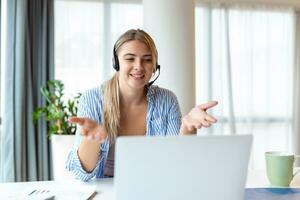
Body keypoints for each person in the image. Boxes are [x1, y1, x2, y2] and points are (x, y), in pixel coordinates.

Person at [66, 29, 218, 181]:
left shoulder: (167, 100)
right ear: (116, 62)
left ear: (154, 66)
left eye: (147, 59)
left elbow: (177, 165)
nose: (139, 66)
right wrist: (93, 140)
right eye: (130, 59)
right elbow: (81, 174)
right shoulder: (92, 99)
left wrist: (187, 128)